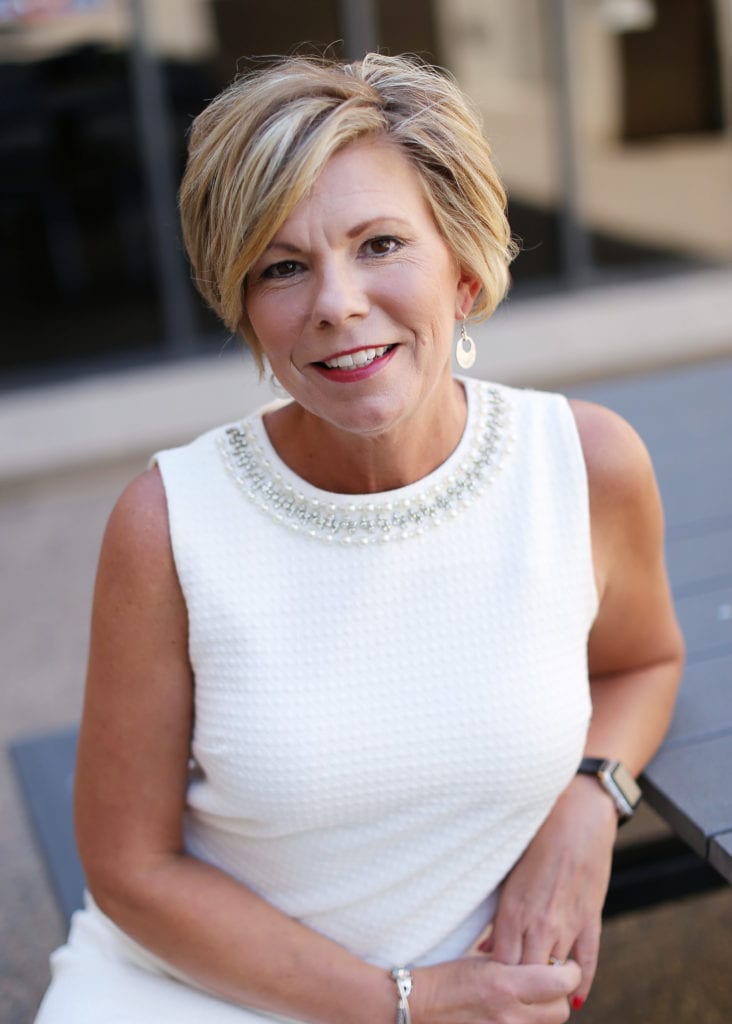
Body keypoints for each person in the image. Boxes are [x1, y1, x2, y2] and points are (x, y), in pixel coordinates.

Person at [34, 52, 684, 1024]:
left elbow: (644, 662)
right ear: (247, 311)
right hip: (186, 989)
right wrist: (401, 1002)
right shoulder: (169, 521)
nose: (334, 301)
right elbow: (131, 866)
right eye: (283, 267)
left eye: (380, 244)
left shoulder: (583, 465)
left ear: (464, 269)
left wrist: (591, 801)